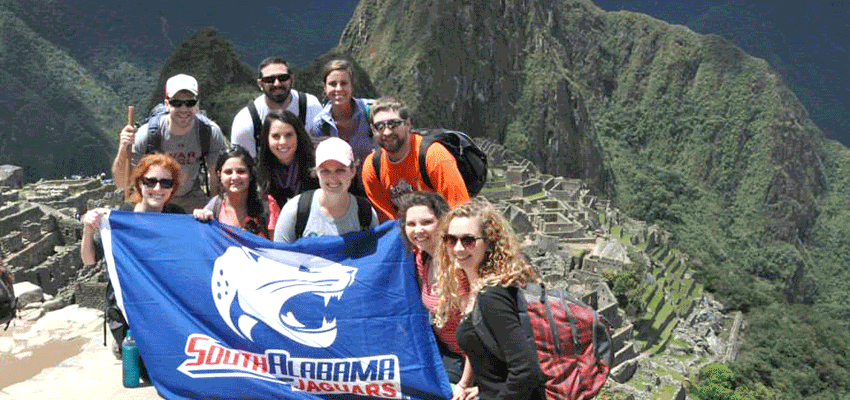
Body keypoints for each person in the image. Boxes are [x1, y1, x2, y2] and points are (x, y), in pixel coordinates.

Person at [81, 153, 186, 379]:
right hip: (128, 307)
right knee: (148, 374)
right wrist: (88, 230)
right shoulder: (120, 219)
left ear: (172, 188)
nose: (158, 188)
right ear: (139, 182)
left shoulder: (177, 217)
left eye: (166, 183)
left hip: (165, 305)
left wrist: (203, 218)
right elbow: (89, 260)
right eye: (150, 181)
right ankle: (124, 345)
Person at [434, 201, 545, 400]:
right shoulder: (474, 291)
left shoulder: (492, 296)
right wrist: (483, 388)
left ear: (488, 243)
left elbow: (525, 370)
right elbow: (497, 362)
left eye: (468, 240)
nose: (458, 248)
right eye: (451, 239)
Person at [397, 192, 477, 399]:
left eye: (427, 222)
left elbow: (476, 333)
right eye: (411, 224)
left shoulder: (458, 266)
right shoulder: (423, 260)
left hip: (476, 361)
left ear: (443, 222)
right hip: (449, 354)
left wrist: (464, 384)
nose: (418, 230)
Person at [111, 73, 229, 211]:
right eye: (176, 103)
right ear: (167, 104)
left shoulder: (209, 133)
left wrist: (214, 211)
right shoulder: (147, 134)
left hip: (190, 197)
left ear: (197, 104)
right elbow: (121, 183)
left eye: (190, 103)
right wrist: (123, 148)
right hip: (154, 196)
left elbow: (215, 177)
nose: (184, 109)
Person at [361, 97, 470, 222]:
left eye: (393, 124)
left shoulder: (434, 155)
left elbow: (460, 210)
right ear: (373, 129)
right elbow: (388, 222)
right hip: (407, 232)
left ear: (408, 124)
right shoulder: (372, 167)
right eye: (379, 126)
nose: (386, 132)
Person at [274, 137, 377, 243]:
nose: (333, 178)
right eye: (325, 171)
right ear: (316, 172)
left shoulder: (366, 213)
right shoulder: (294, 211)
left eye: (340, 170)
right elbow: (278, 256)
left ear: (352, 170)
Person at [231, 57, 323, 159]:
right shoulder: (245, 120)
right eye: (269, 80)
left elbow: (322, 150)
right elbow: (242, 164)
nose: (277, 84)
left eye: (283, 78)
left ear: (291, 79)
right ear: (260, 84)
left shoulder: (311, 106)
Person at [257, 110, 320, 232]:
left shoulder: (317, 168)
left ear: (298, 135)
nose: (283, 142)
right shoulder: (259, 174)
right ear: (266, 139)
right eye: (276, 136)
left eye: (289, 135)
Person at [193, 145, 269, 239]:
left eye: (241, 171)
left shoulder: (267, 206)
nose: (235, 177)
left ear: (250, 174)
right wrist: (200, 218)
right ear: (219, 175)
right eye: (228, 172)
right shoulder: (214, 207)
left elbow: (279, 248)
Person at [310, 59, 374, 163]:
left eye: (343, 83)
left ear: (352, 86)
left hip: (373, 177)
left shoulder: (371, 111)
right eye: (333, 84)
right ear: (325, 87)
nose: (338, 89)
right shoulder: (320, 125)